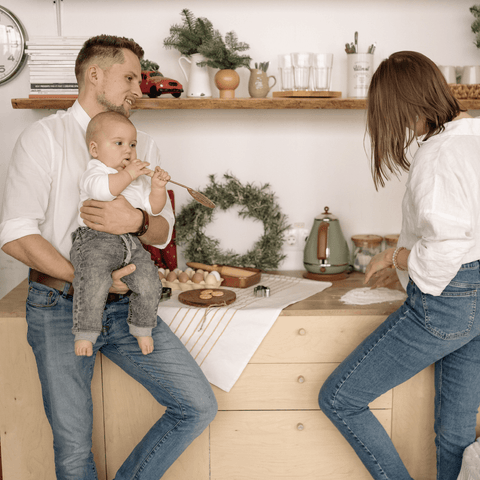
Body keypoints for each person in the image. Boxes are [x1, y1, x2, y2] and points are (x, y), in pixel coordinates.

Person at [0, 34, 217, 479]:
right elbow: (15, 234)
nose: (139, 88)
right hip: (58, 306)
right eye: (131, 77)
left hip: (126, 307)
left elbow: (161, 232)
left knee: (197, 405)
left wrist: (134, 221)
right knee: (74, 447)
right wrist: (89, 280)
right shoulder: (43, 139)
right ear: (94, 75)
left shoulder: (143, 144)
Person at [319, 51, 480, 480]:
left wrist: (393, 256)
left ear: (408, 104)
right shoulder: (474, 134)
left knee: (339, 397)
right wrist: (405, 261)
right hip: (477, 298)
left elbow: (447, 245)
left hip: (448, 301)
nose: (397, 126)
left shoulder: (438, 155)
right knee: (456, 432)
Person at [72, 111, 170, 357]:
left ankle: (142, 326)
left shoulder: (135, 182)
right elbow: (104, 191)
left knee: (150, 280)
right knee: (93, 280)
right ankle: (85, 332)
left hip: (131, 243)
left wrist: (157, 188)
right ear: (95, 149)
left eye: (133, 145)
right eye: (119, 143)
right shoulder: (95, 172)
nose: (128, 151)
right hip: (96, 242)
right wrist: (129, 174)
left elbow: (153, 209)